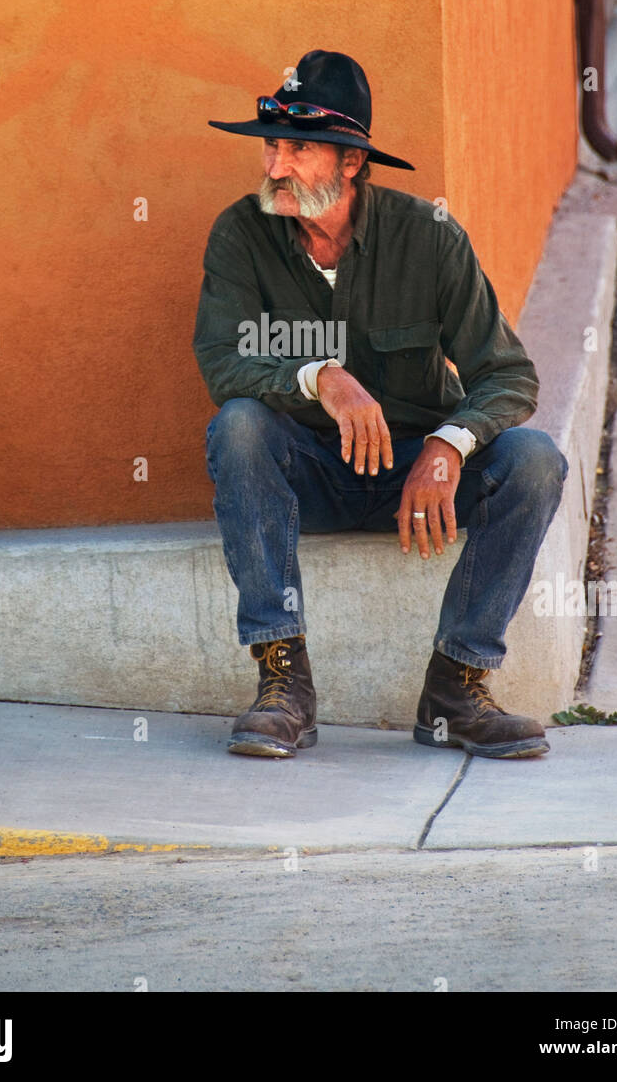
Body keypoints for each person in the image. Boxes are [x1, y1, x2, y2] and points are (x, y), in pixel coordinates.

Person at [193, 50, 568, 761]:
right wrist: (319, 377)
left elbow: (508, 374)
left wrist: (449, 444)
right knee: (237, 426)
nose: (275, 166)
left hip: (418, 479)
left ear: (352, 162)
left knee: (534, 460)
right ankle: (282, 684)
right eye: (271, 146)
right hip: (309, 473)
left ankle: (457, 687)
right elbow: (222, 361)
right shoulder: (240, 233)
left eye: (298, 150)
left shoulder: (428, 237)